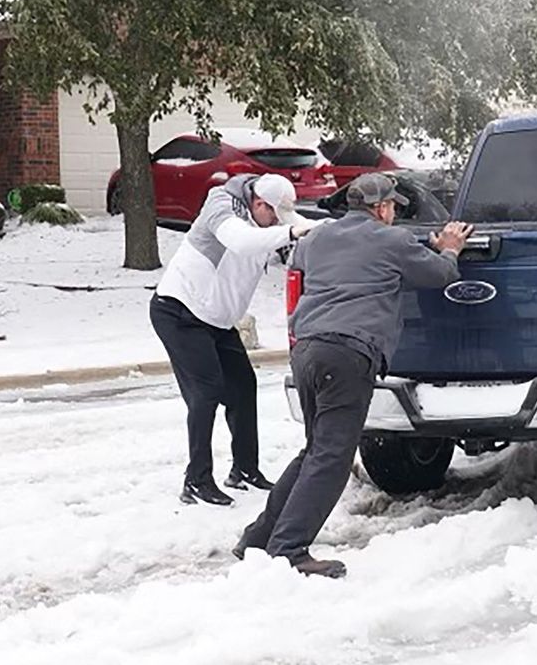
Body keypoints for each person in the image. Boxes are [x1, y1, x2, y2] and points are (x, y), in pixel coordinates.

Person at [234, 173, 473, 577]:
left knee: (315, 450)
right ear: (381, 208)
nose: (395, 213)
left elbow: (350, 255)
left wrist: (419, 246)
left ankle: (258, 537)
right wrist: (448, 250)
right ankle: (289, 551)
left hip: (308, 350)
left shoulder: (316, 240)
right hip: (348, 354)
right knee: (332, 457)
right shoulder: (391, 241)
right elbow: (440, 276)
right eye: (393, 207)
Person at [151, 173, 322, 506]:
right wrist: (287, 232)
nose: (275, 222)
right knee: (206, 392)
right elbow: (241, 241)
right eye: (273, 215)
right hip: (179, 311)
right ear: (258, 203)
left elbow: (300, 230)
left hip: (216, 320)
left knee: (244, 386)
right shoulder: (221, 205)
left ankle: (245, 470)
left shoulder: (267, 220)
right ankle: (197, 480)